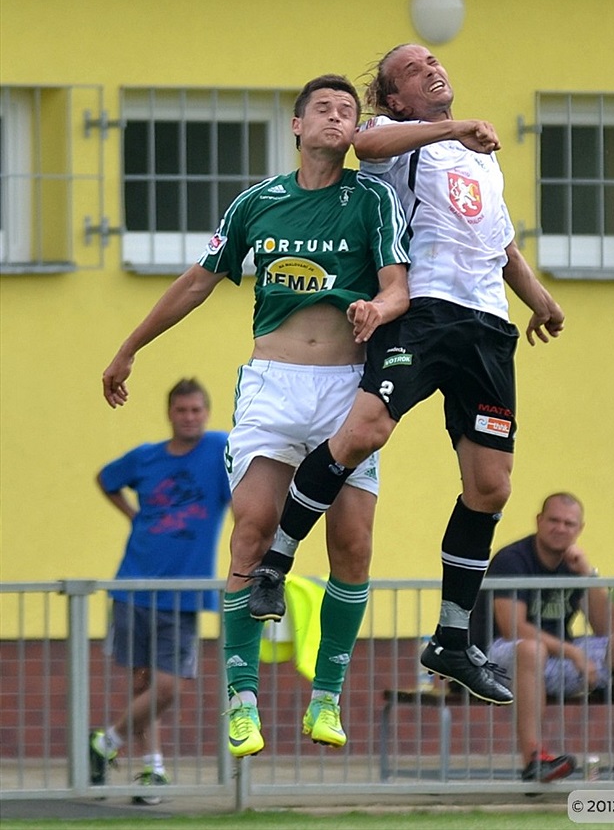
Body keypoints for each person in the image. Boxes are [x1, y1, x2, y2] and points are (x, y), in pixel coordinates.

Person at [101, 74, 411, 758]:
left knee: (352, 546)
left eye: (348, 111)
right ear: (297, 125)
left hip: (344, 390)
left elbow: (398, 286)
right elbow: (197, 280)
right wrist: (129, 347)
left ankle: (326, 695)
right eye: (324, 108)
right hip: (272, 386)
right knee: (252, 530)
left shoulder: (372, 199)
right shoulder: (256, 202)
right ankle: (241, 699)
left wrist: (377, 310)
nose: (337, 117)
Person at [249, 43, 564, 707]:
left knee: (491, 485)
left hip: (485, 327)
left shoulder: (478, 158)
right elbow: (365, 141)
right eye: (417, 68)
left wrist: (539, 298)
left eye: (436, 61)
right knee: (363, 433)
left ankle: (451, 637)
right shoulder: (400, 144)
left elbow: (501, 244)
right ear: (396, 97)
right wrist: (453, 126)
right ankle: (275, 559)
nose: (435, 68)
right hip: (422, 314)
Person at [469, 492, 614, 785]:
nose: (561, 528)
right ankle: (535, 759)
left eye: (569, 524)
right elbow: (513, 629)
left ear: (579, 529)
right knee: (531, 650)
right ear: (539, 521)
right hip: (495, 661)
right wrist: (573, 654)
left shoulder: (573, 564)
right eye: (554, 521)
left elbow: (608, 626)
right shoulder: (513, 560)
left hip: (554, 656)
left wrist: (587, 573)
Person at [89, 378, 231, 803]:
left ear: (206, 413)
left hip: (185, 591)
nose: (189, 418)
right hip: (134, 584)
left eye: (196, 411)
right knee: (141, 683)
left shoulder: (219, 451)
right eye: (182, 410)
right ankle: (152, 770)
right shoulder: (147, 458)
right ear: (170, 413)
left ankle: (105, 742)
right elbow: (106, 478)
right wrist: (133, 515)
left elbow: (250, 484)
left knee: (168, 686)